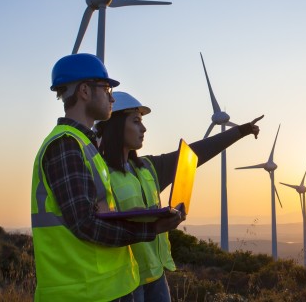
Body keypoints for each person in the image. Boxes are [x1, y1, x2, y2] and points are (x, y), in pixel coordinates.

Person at [31, 54, 184, 302]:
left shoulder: (84, 145)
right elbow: (85, 223)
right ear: (84, 91)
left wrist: (140, 215)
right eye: (106, 88)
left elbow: (97, 212)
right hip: (83, 291)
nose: (112, 97)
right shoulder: (66, 145)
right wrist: (150, 228)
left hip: (107, 287)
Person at [95, 91, 262, 302]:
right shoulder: (99, 174)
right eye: (136, 121)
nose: (144, 128)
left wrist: (239, 131)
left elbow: (193, 155)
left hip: (156, 276)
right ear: (116, 126)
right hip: (125, 280)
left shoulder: (148, 168)